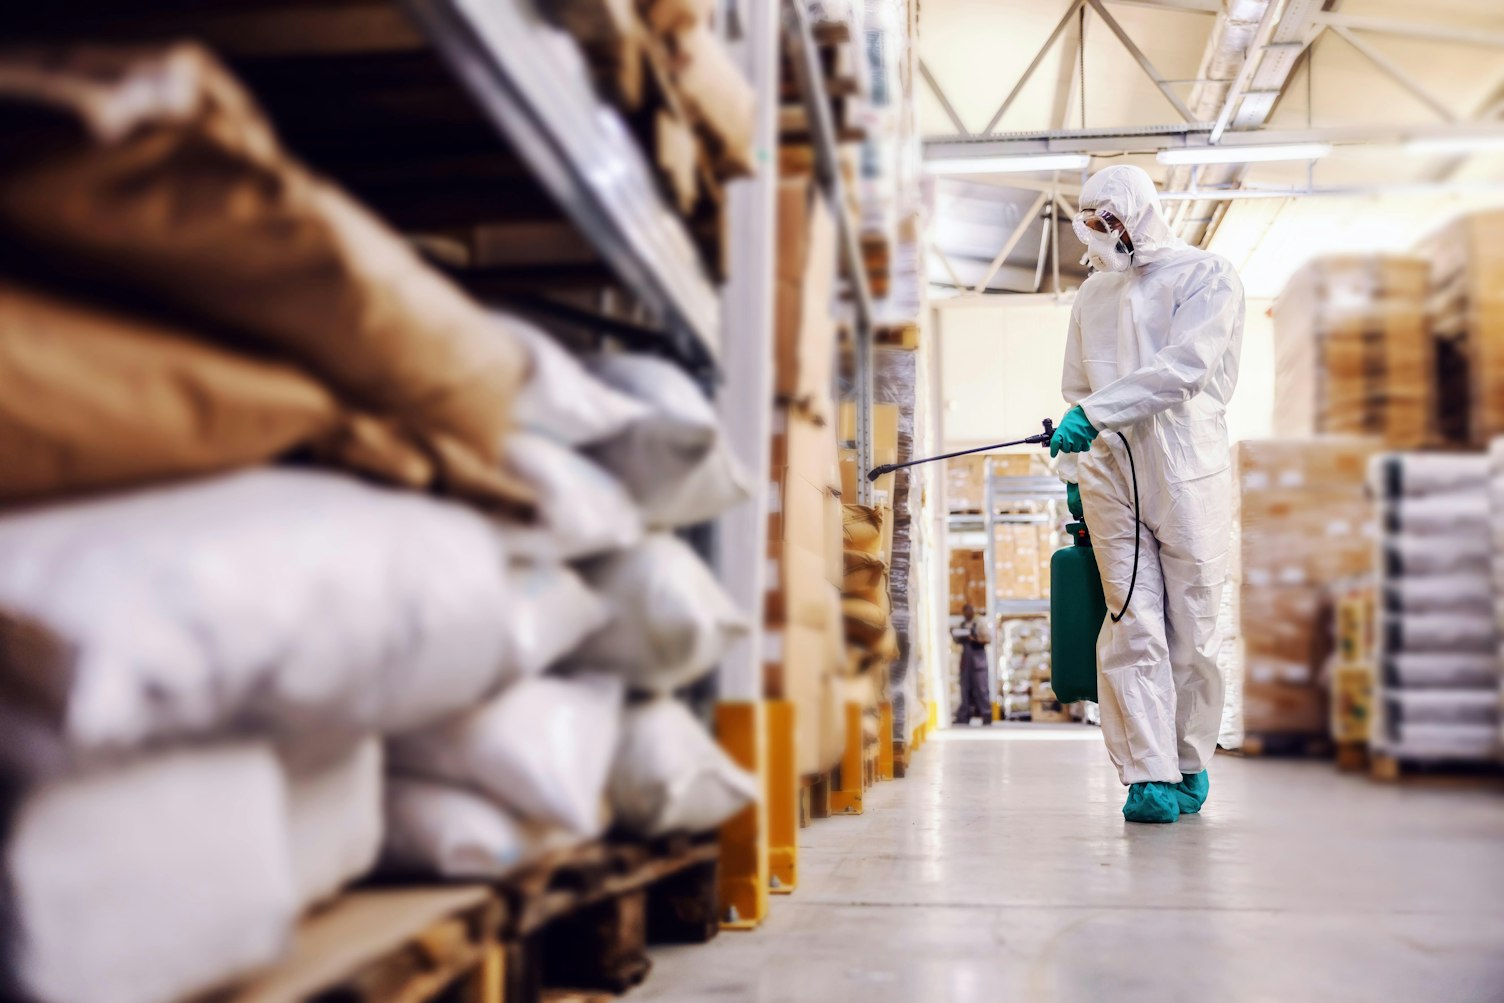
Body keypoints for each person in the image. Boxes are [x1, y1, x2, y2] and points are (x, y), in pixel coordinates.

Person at [1049, 164, 1244, 824]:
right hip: (1110, 467)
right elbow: (1079, 389)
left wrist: (1099, 411)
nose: (1105, 235)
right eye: (1094, 224)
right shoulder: (1092, 298)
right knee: (1131, 620)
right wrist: (1079, 472)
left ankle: (1188, 760)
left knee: (1192, 620)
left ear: (1138, 213)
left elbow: (1186, 371)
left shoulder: (1206, 276)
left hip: (1186, 466)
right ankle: (1148, 773)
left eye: (1112, 220)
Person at [951, 603, 993, 726]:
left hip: (978, 661)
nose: (967, 614)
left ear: (972, 611)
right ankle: (964, 716)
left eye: (969, 611)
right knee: (965, 690)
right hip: (966, 662)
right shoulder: (961, 625)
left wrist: (974, 639)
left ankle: (986, 714)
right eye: (965, 612)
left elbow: (988, 639)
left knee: (981, 689)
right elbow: (956, 640)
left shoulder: (980, 623)